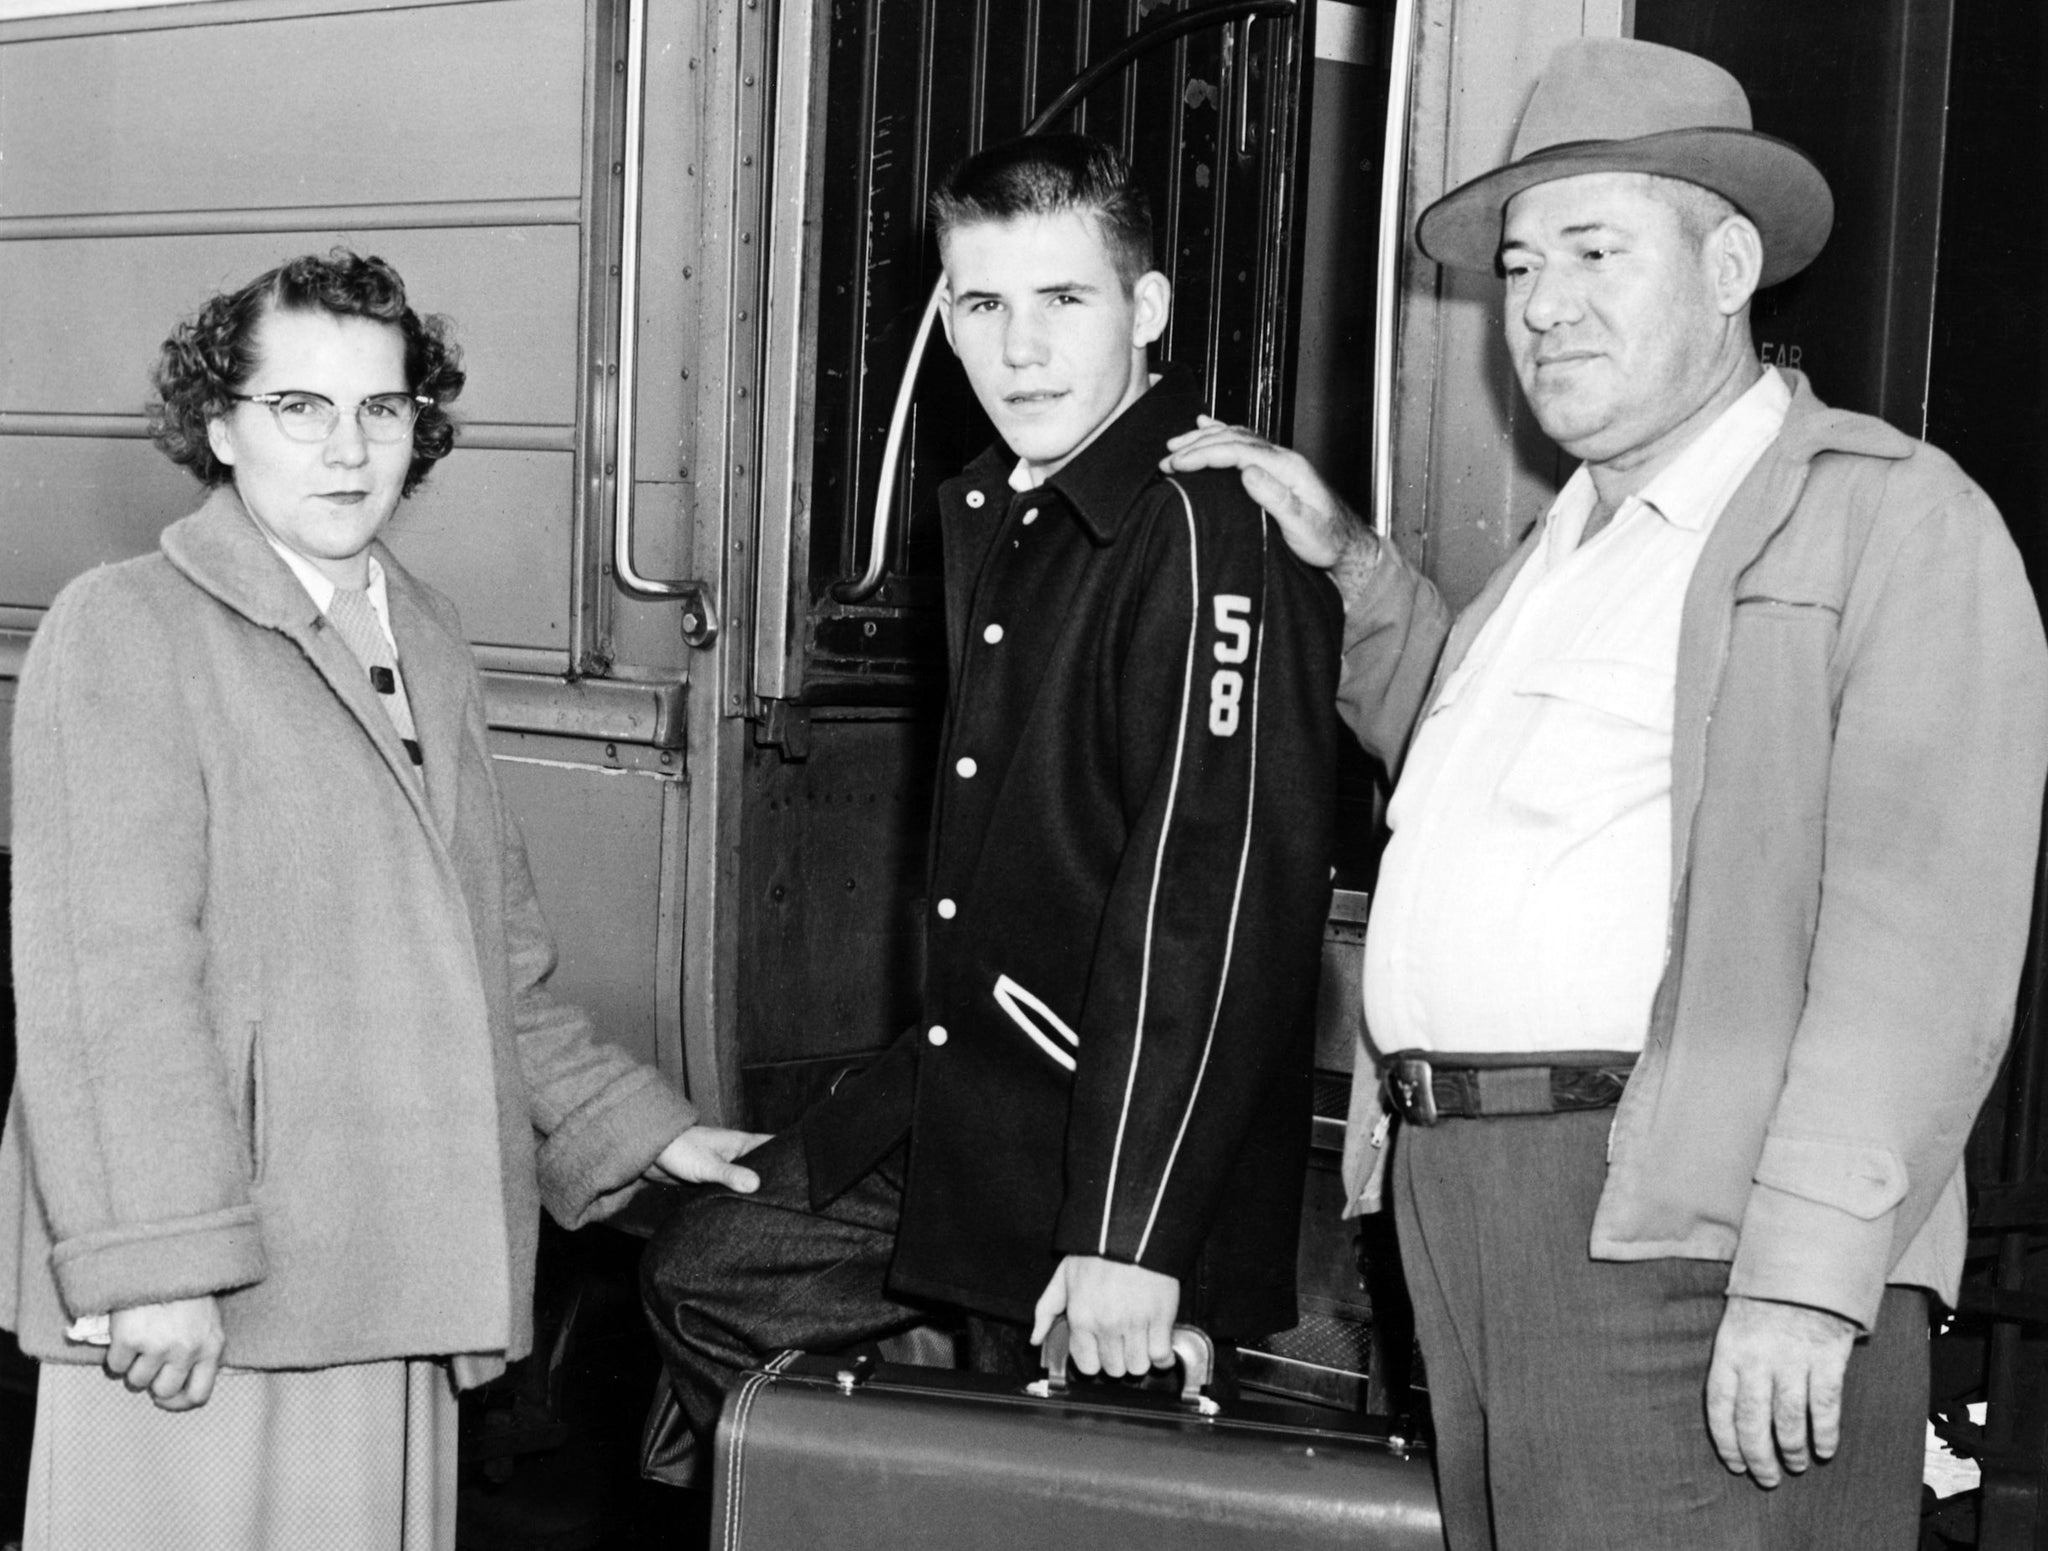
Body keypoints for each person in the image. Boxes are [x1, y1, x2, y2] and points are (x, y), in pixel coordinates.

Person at [1163, 37, 2048, 1551]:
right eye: (1517, 266)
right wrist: (1349, 571)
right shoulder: (1572, 541)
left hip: (1681, 1231)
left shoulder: (1887, 521)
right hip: (1468, 1211)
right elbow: (1484, 769)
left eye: (1593, 250)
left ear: (1727, 265)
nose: (1544, 305)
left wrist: (1806, 1271)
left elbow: (1922, 940)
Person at [0, 249, 765, 1551]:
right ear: (222, 427)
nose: (349, 447)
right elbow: (106, 978)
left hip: (387, 1268)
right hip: (217, 1292)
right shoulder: (126, 624)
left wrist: (634, 1130)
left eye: (384, 408)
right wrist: (156, 1268)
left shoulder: (424, 635)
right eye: (300, 406)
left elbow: (489, 953)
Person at [640, 133, 1341, 1450]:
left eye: (1063, 300)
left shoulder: (1202, 528)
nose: (1019, 349)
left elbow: (1212, 896)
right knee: (712, 1269)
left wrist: (1135, 1240)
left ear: (1146, 312)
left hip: (1108, 1151)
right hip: (980, 1105)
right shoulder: (1001, 503)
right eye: (981, 304)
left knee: (1050, 1475)